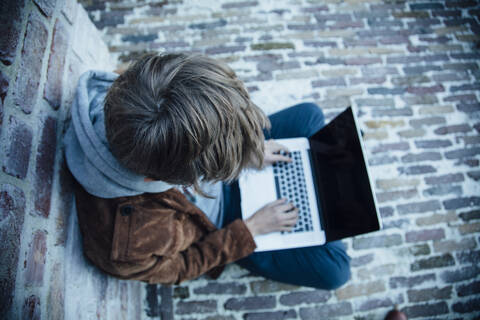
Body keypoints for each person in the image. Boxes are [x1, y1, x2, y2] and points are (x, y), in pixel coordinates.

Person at [64, 52, 351, 289]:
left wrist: (247, 151)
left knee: (309, 115)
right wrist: (250, 231)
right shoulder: (126, 245)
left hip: (203, 155)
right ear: (160, 180)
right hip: (223, 222)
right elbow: (179, 268)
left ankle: (309, 193)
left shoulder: (142, 88)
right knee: (336, 271)